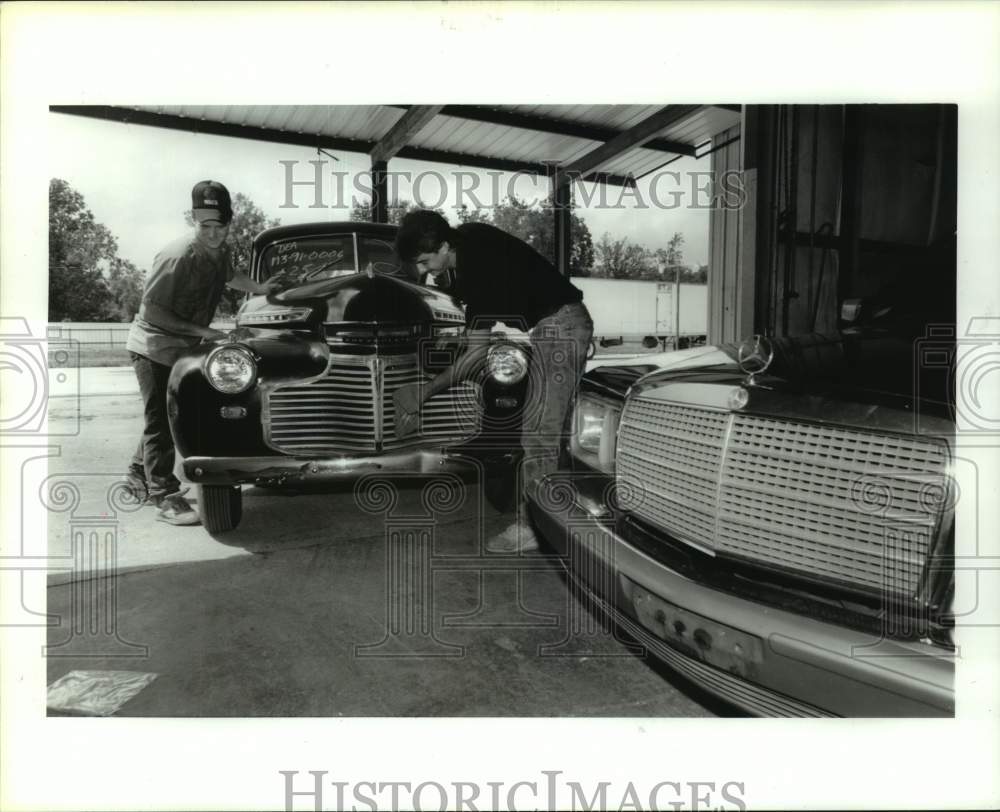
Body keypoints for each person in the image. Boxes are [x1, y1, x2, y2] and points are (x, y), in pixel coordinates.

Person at [393, 210, 593, 552]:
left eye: (426, 262)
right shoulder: (471, 237)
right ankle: (554, 515)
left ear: (443, 246)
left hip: (561, 328)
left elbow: (475, 355)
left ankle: (534, 526)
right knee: (545, 429)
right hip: (557, 326)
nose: (425, 272)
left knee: (539, 432)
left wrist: (424, 393)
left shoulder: (476, 270)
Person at [123, 180, 275, 525]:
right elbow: (152, 312)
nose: (212, 234)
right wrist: (206, 331)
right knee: (161, 420)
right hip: (153, 346)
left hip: (182, 347)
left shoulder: (220, 250)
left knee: (167, 415)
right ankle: (164, 496)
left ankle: (136, 473)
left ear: (228, 223)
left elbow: (229, 275)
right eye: (205, 226)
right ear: (194, 221)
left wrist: (261, 288)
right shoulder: (176, 255)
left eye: (219, 226)